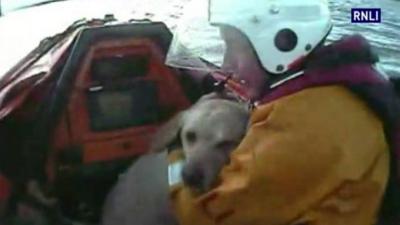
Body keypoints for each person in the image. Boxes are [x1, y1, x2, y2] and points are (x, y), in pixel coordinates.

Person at [164, 0, 400, 225]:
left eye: (234, 48)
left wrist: (175, 157)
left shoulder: (304, 126)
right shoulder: (329, 88)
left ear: (281, 44)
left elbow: (208, 216)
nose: (226, 65)